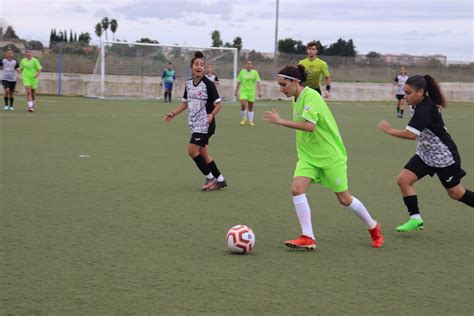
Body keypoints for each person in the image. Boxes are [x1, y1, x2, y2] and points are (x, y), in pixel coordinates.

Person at [263, 65, 383, 249]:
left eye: (283, 84)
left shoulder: (312, 96)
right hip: (308, 157)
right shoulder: (296, 98)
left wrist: (281, 121)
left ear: (295, 82)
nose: (281, 88)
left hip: (329, 156)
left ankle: (373, 226)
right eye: (279, 85)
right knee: (297, 189)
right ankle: (308, 237)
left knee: (344, 199)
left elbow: (310, 126)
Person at [378, 75, 473, 232]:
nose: (405, 96)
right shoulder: (416, 103)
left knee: (456, 194)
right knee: (403, 180)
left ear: (421, 92)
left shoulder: (425, 109)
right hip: (425, 154)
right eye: (404, 92)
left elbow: (411, 135)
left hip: (444, 156)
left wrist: (389, 130)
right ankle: (415, 219)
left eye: (408, 93)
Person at [163, 51, 227, 191]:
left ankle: (209, 177)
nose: (199, 67)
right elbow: (185, 103)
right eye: (196, 64)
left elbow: (219, 104)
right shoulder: (188, 85)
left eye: (201, 65)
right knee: (204, 154)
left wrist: (212, 114)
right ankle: (220, 180)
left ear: (204, 68)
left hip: (206, 124)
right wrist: (173, 113)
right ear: (191, 67)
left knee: (192, 150)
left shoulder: (209, 84)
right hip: (194, 124)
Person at [235, 61, 262, 126]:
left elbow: (258, 82)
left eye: (250, 64)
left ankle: (250, 121)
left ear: (252, 65)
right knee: (243, 104)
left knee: (250, 106)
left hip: (251, 91)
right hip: (243, 91)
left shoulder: (255, 72)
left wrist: (260, 91)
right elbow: (238, 82)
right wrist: (236, 91)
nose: (249, 65)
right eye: (247, 64)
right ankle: (244, 119)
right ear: (246, 65)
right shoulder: (242, 72)